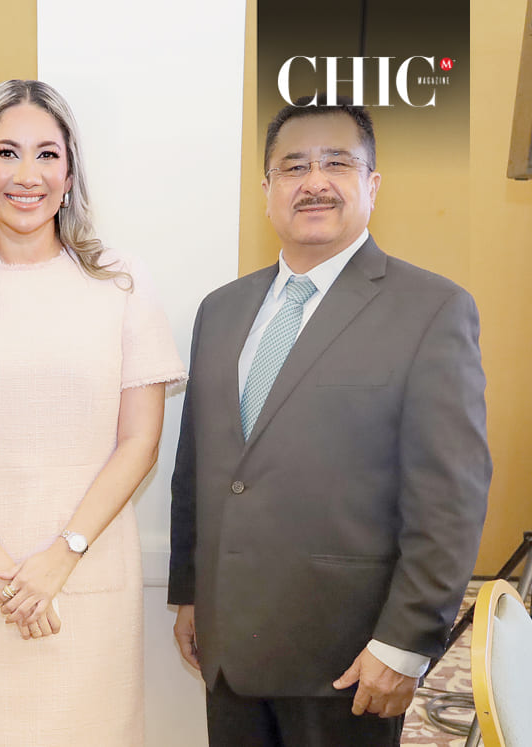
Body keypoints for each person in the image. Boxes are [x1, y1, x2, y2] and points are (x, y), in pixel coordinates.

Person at [168, 100, 490, 746]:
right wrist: (189, 592)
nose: (313, 181)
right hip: (230, 648)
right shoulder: (222, 311)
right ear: (267, 192)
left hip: (347, 657)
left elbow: (449, 498)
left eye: (337, 163)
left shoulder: (432, 310)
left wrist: (405, 641)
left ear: (372, 185)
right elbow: (197, 466)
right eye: (293, 167)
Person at [0, 79, 187, 746]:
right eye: (7, 153)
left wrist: (58, 558)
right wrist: (5, 574)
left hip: (84, 579)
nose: (27, 175)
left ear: (70, 171)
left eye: (47, 154)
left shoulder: (120, 281)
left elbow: (139, 442)